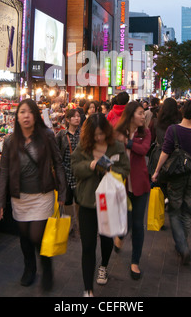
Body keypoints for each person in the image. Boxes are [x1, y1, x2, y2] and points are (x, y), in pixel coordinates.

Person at [0, 99, 67, 290]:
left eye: (30, 112)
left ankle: (47, 268)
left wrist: (62, 191)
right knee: (24, 235)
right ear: (17, 117)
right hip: (20, 198)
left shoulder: (47, 135)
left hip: (42, 195)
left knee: (37, 235)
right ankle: (30, 268)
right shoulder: (10, 141)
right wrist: (0, 201)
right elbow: (4, 170)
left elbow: (58, 163)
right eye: (22, 112)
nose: (26, 116)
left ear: (36, 116)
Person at [71, 113, 130, 297]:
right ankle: (88, 288)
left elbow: (125, 169)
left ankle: (103, 265)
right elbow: (75, 168)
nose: (99, 137)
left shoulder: (117, 146)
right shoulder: (83, 147)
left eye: (101, 133)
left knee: (106, 239)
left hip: (109, 202)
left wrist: (110, 168)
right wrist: (91, 165)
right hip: (88, 202)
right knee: (87, 245)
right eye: (95, 134)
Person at [152, 100, 191, 265]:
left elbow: (165, 152)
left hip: (175, 176)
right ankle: (183, 243)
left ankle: (182, 246)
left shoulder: (173, 129)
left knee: (175, 212)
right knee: (186, 212)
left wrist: (156, 171)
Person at [115, 101, 152, 279]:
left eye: (143, 113)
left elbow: (143, 150)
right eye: (140, 113)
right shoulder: (117, 132)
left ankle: (135, 262)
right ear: (130, 115)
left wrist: (128, 142)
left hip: (140, 185)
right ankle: (120, 236)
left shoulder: (145, 133)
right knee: (125, 221)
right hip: (121, 185)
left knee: (137, 224)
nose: (143, 116)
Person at [56, 108, 81, 236]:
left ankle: (78, 225)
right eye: (74, 116)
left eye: (78, 116)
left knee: (79, 199)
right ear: (67, 119)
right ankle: (69, 225)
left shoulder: (82, 134)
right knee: (66, 200)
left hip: (79, 173)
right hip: (65, 172)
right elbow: (56, 152)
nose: (77, 118)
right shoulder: (61, 134)